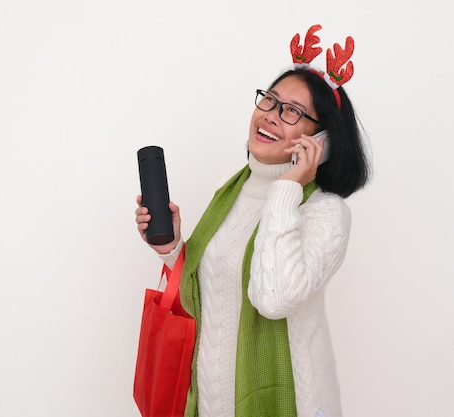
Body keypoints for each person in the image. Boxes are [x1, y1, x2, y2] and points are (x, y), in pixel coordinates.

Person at [134, 25, 370, 417]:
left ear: (322, 140)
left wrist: (291, 185)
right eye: (270, 100)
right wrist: (173, 250)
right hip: (212, 400)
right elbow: (215, 288)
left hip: (286, 402)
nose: (272, 116)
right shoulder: (233, 192)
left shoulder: (325, 213)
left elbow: (272, 299)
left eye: (292, 111)